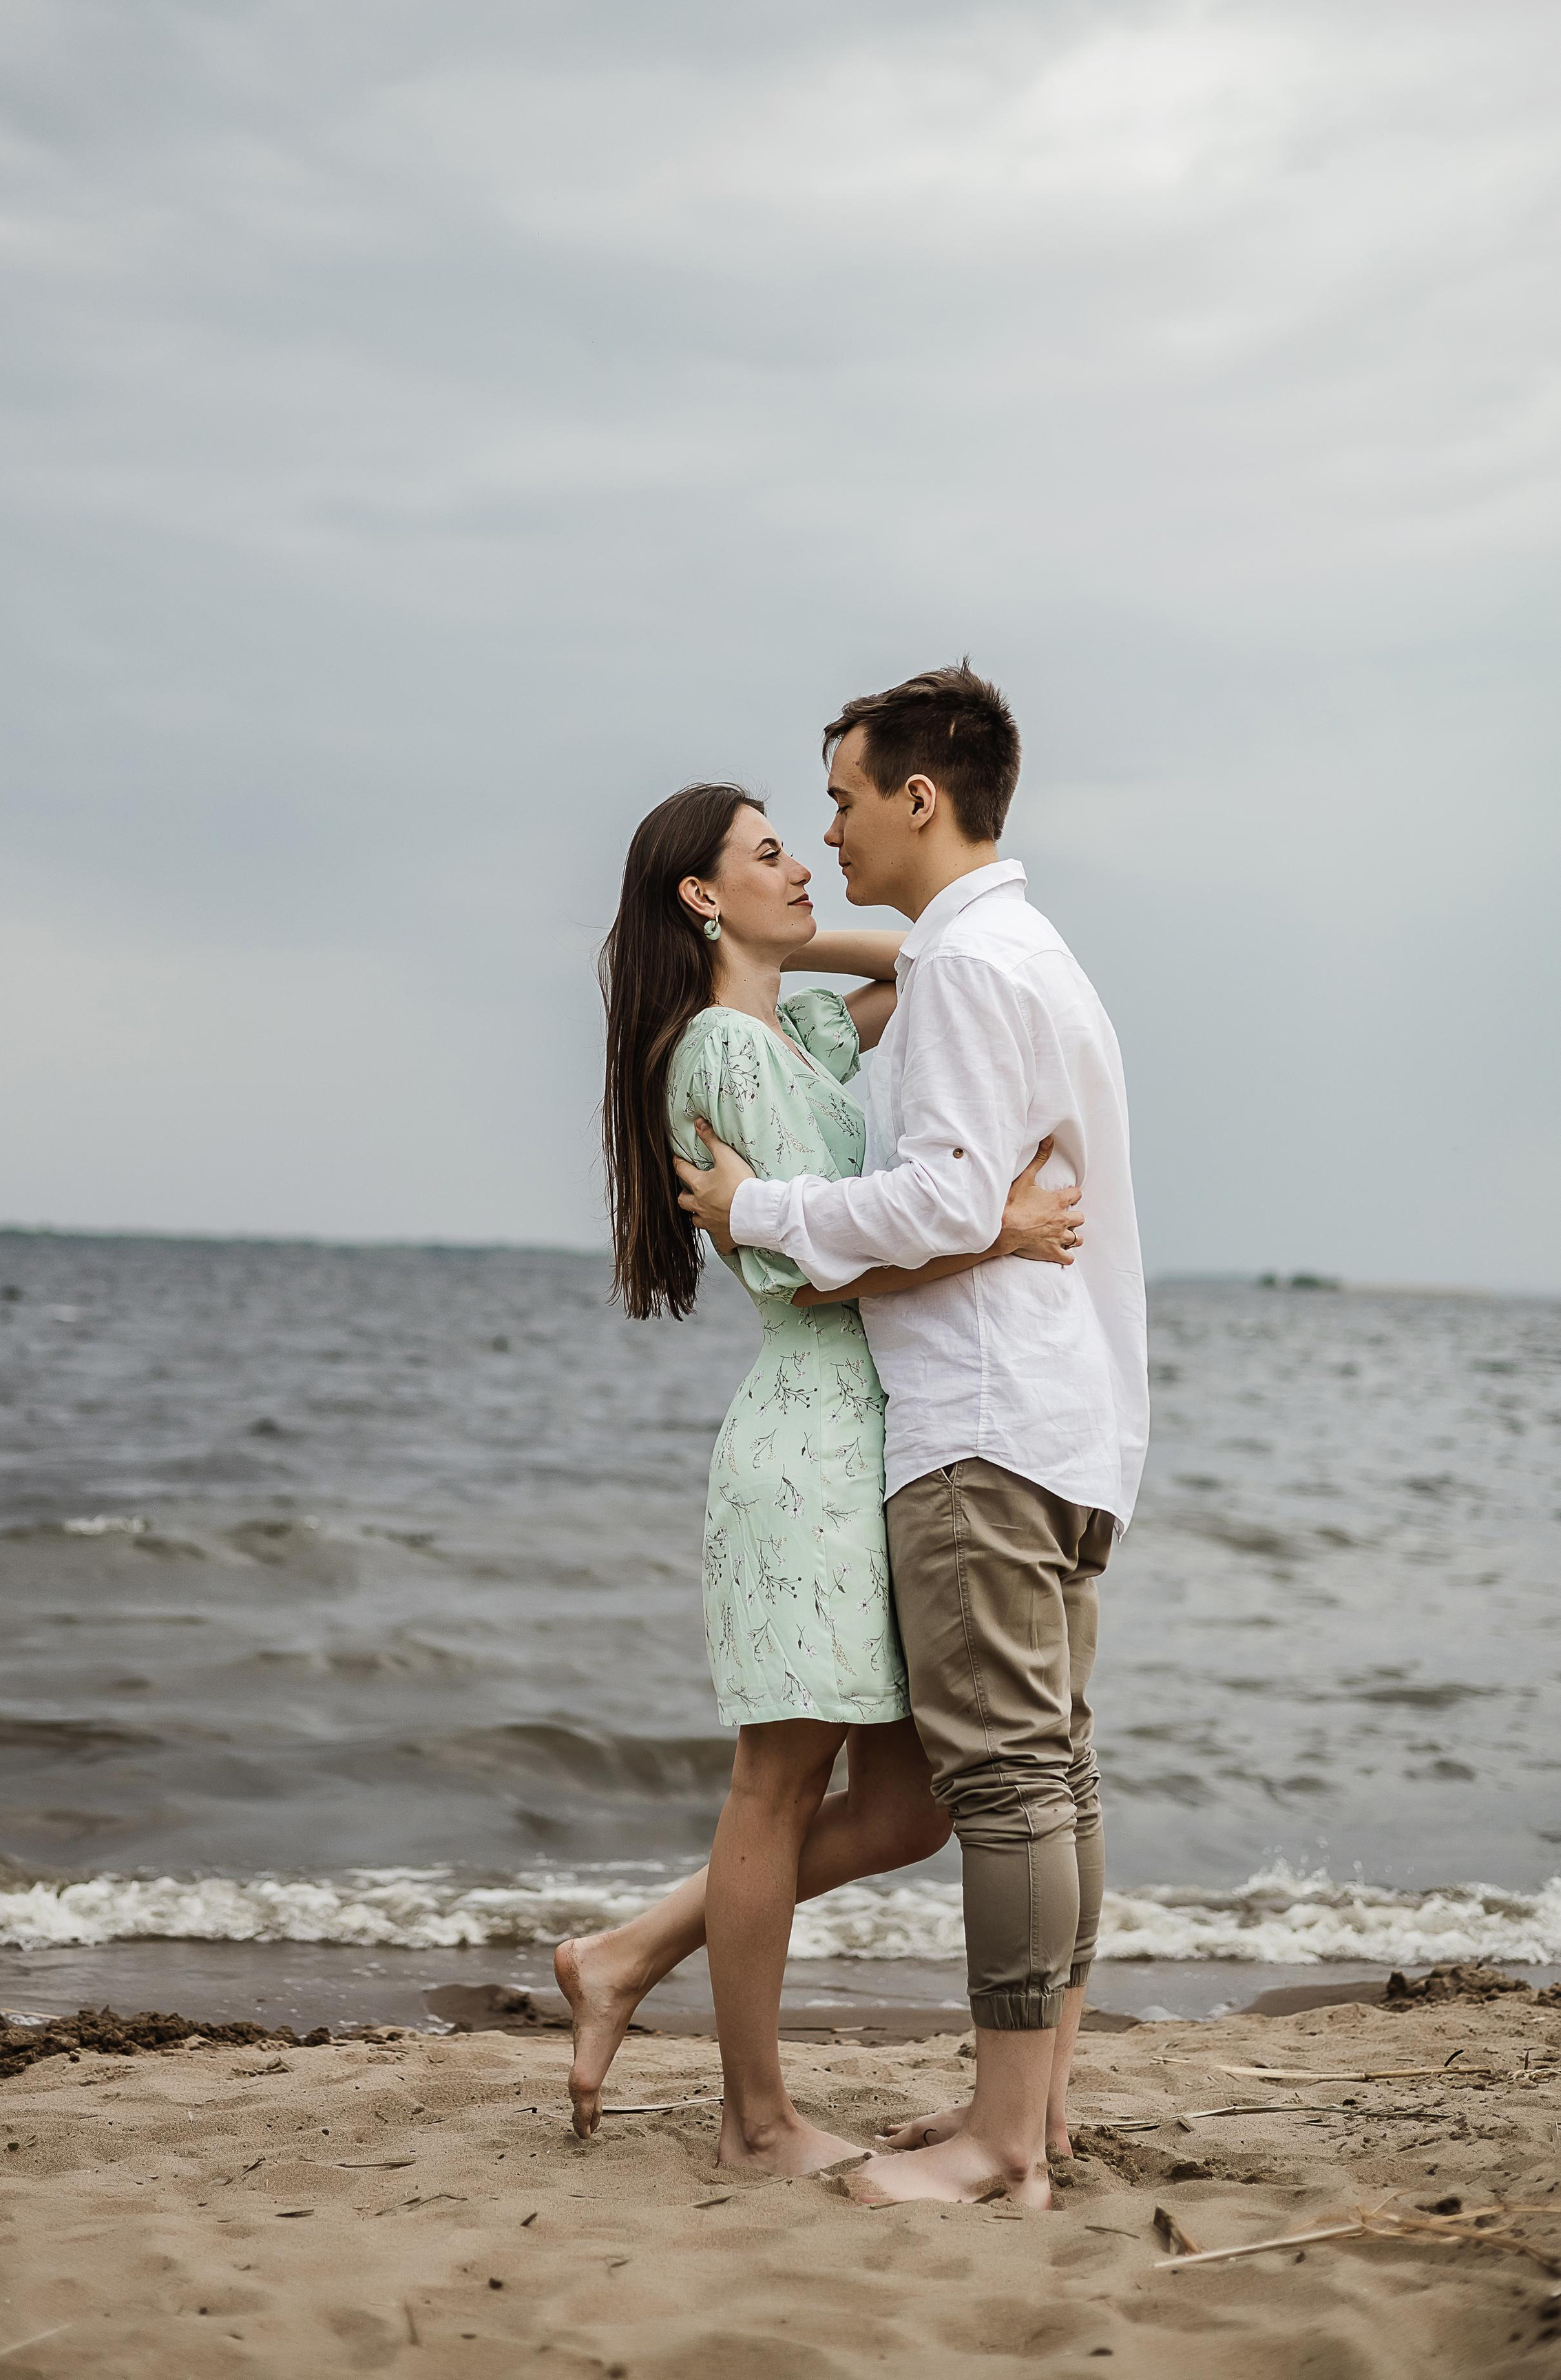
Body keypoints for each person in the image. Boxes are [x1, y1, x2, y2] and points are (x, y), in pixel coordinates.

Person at [556, 779, 1083, 2175]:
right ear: (698, 893)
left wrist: (791, 937)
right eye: (769, 854)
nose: (806, 866)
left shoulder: (781, 1028)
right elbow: (802, 1269)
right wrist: (1006, 1235)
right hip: (806, 1448)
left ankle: (628, 1952)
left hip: (878, 1439)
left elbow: (928, 965)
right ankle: (751, 2118)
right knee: (775, 1787)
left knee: (911, 1806)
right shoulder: (716, 1061)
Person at [677, 666, 1147, 2211]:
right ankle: (1041, 2111)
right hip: (1069, 1418)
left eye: (840, 797)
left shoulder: (958, 973)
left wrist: (760, 1210)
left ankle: (1001, 2141)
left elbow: (946, 1199)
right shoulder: (1028, 952)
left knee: (1008, 1785)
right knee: (1054, 1779)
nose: (829, 829)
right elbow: (974, 1198)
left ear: (915, 798)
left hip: (976, 1426)